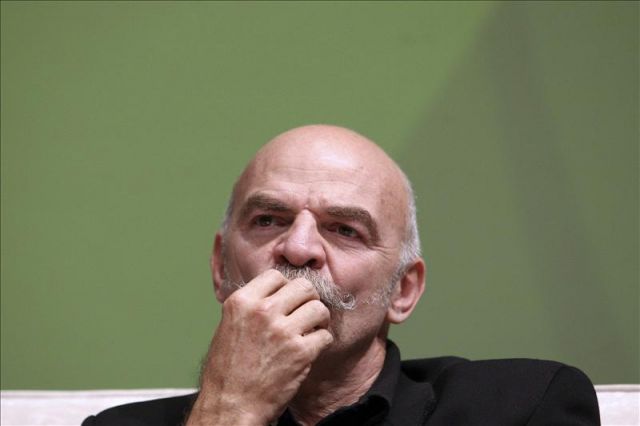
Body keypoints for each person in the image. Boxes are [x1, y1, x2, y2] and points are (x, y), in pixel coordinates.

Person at [83, 125, 600, 425]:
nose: (299, 248)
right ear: (221, 267)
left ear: (403, 290)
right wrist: (230, 411)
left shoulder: (520, 407)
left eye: (345, 229)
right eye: (269, 220)